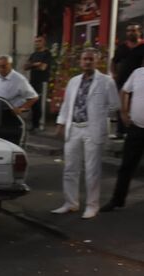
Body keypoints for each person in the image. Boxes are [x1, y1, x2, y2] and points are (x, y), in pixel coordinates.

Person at [51, 48, 120, 219]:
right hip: (73, 127)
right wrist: (60, 124)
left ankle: (92, 205)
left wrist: (100, 115)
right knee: (70, 168)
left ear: (97, 61)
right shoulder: (73, 81)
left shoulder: (106, 81)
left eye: (91, 59)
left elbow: (115, 105)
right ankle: (70, 203)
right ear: (80, 61)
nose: (87, 62)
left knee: (92, 170)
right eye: (85, 59)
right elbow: (67, 104)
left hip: (92, 128)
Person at [100, 65, 144, 212]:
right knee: (126, 166)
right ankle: (117, 200)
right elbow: (124, 91)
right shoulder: (137, 73)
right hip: (136, 128)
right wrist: (124, 112)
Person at [111, 23, 144, 139]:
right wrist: (114, 74)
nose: (130, 33)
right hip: (122, 81)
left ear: (139, 32)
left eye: (133, 31)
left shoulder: (142, 46)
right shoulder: (122, 47)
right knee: (121, 105)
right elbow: (114, 61)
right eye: (128, 31)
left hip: (138, 82)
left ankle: (133, 131)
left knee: (135, 105)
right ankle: (120, 131)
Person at [24, 35, 52, 131]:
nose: (37, 43)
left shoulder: (47, 54)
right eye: (36, 41)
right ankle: (34, 125)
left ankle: (40, 125)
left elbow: (43, 67)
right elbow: (25, 66)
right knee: (34, 103)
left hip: (42, 82)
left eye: (39, 41)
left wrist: (33, 65)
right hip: (33, 82)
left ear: (44, 42)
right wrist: (35, 64)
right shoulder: (34, 54)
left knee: (40, 104)